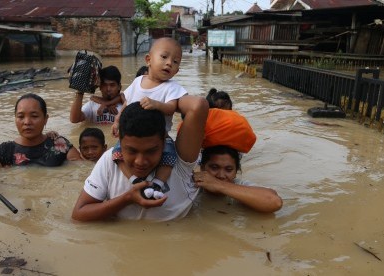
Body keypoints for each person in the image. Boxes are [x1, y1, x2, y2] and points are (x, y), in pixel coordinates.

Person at [72, 96, 209, 221]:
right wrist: (127, 198)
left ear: (165, 141)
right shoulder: (109, 159)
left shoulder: (181, 158)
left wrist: (163, 103)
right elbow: (79, 214)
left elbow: (198, 105)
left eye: (151, 151)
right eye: (131, 150)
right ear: (119, 141)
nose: (140, 161)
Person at [110, 37, 188, 199]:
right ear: (148, 60)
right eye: (164, 57)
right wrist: (117, 120)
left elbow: (171, 108)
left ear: (177, 70)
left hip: (160, 137)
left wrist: (156, 104)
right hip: (132, 136)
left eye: (175, 61)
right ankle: (134, 180)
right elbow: (126, 104)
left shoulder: (172, 87)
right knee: (116, 154)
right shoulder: (138, 81)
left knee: (169, 156)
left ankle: (158, 183)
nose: (169, 63)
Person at [0, 93, 81, 184]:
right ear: (15, 119)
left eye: (34, 116)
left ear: (45, 119)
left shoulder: (60, 144)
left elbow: (84, 170)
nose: (27, 122)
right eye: (21, 116)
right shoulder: (6, 150)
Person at [193, 145, 283, 213]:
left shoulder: (240, 185)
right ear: (202, 168)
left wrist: (218, 185)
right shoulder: (192, 185)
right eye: (214, 167)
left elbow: (275, 202)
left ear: (236, 172)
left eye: (229, 169)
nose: (221, 175)